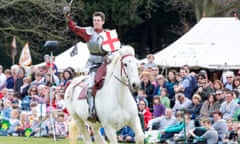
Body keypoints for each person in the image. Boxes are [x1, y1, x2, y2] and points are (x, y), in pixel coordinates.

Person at [66, 10, 119, 122]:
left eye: (98, 20)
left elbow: (115, 49)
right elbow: (74, 28)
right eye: (94, 20)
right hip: (94, 65)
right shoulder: (88, 32)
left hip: (108, 64)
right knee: (91, 87)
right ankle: (92, 111)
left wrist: (110, 56)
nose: (96, 22)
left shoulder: (109, 34)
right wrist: (68, 17)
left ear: (103, 22)